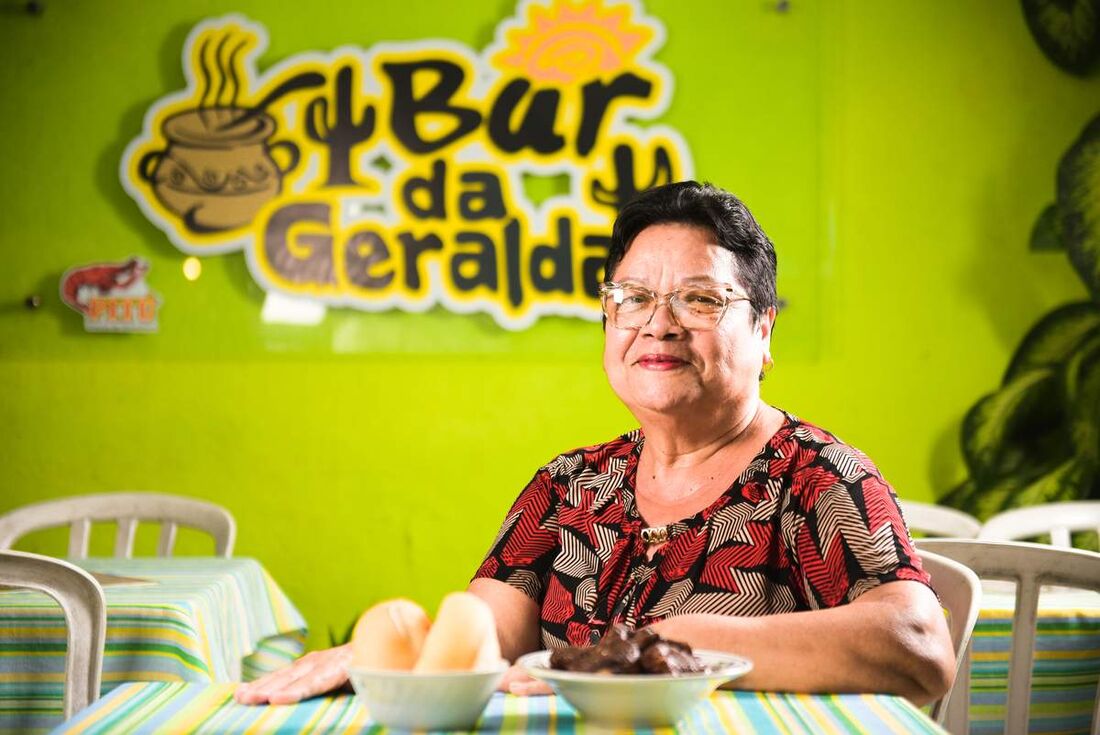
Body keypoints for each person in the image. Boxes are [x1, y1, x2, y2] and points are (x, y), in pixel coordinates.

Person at [235, 181, 955, 706]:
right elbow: (487, 627)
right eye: (633, 297)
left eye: (700, 299)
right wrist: (387, 655)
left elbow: (918, 645)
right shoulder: (569, 485)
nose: (659, 323)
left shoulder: (815, 477)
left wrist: (673, 646)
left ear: (763, 330)